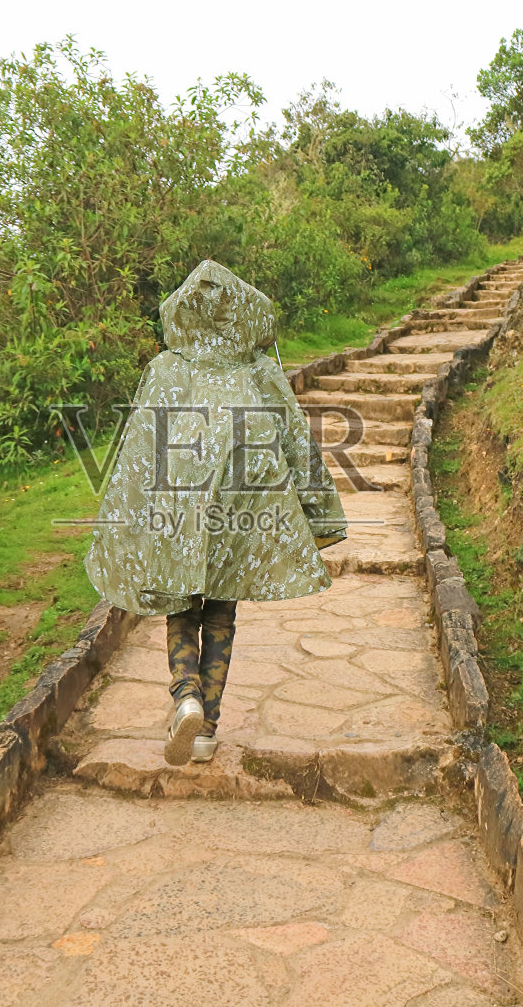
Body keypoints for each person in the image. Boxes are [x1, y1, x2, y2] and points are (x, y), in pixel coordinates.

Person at [86, 261, 347, 766]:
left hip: (178, 505)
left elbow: (138, 450)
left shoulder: (165, 369)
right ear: (244, 314)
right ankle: (206, 727)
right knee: (222, 611)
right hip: (243, 506)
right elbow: (295, 441)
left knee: (181, 604)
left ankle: (184, 694)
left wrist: (126, 517)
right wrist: (318, 513)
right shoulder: (258, 370)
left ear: (182, 312)